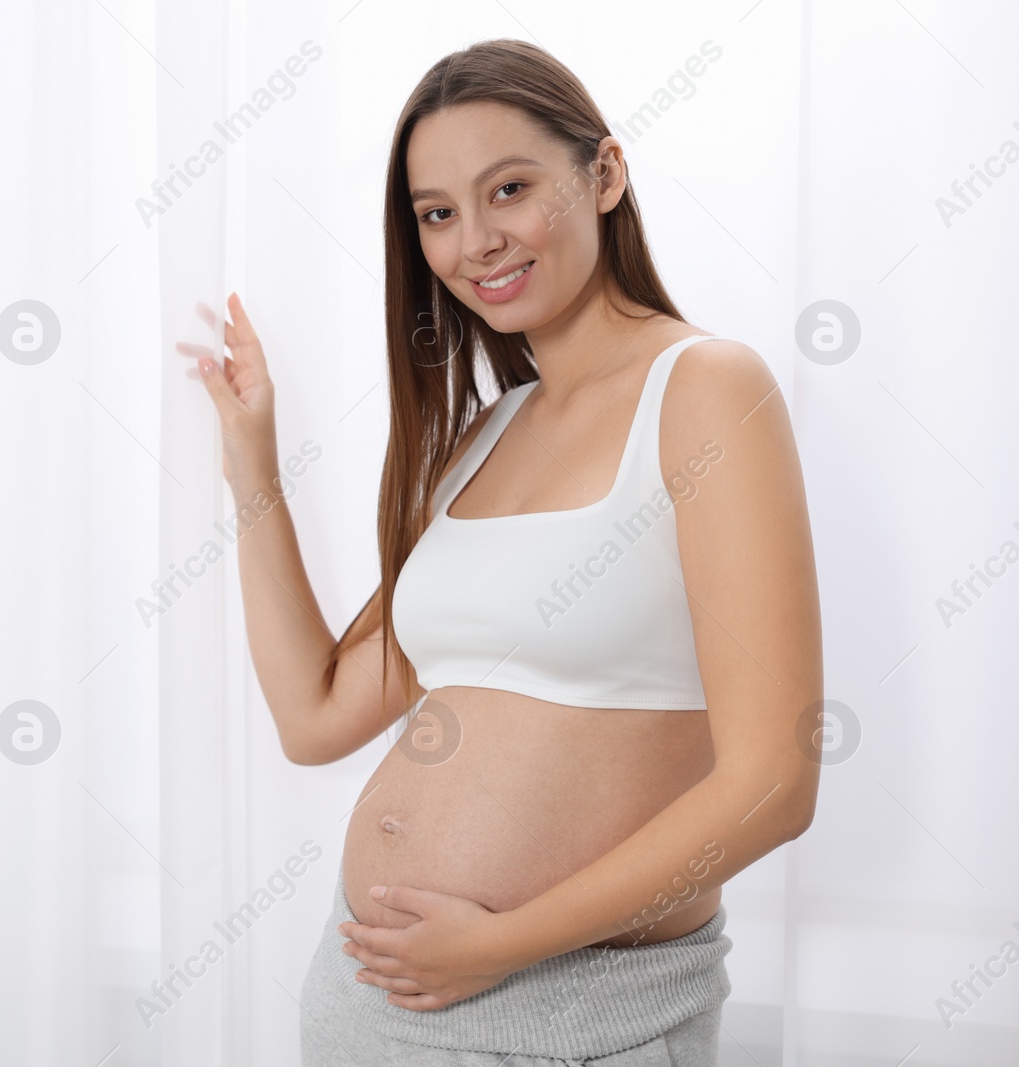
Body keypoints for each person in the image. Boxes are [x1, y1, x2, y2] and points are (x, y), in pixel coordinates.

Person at [189, 37, 824, 1066]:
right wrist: (250, 463)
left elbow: (772, 781)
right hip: (367, 1006)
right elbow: (314, 718)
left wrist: (497, 945)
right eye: (437, 213)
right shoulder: (481, 436)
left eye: (510, 189)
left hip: (574, 1018)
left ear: (603, 175)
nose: (475, 240)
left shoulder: (703, 388)